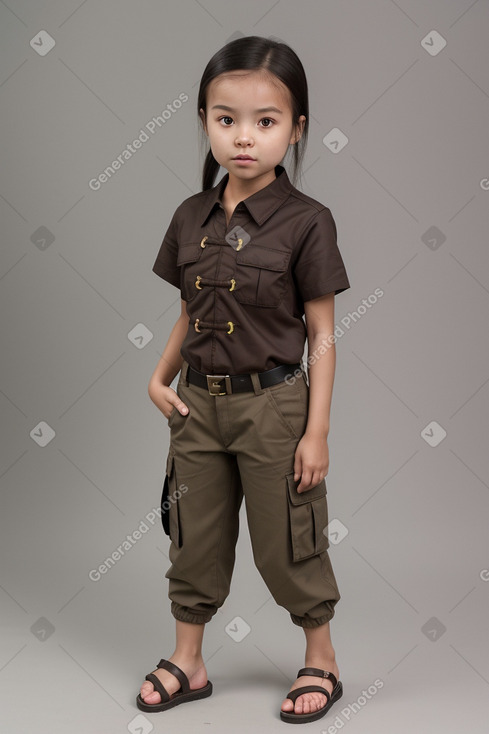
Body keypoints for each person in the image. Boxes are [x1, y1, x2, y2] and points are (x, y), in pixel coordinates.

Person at [136, 35, 351, 724]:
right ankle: (189, 659)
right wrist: (159, 376)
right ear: (204, 119)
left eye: (266, 121)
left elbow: (321, 335)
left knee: (287, 540)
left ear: (296, 130)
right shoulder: (188, 217)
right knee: (191, 537)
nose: (244, 138)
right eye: (225, 119)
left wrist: (315, 431)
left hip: (274, 409)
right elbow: (188, 312)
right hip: (197, 407)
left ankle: (320, 657)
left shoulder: (307, 223)